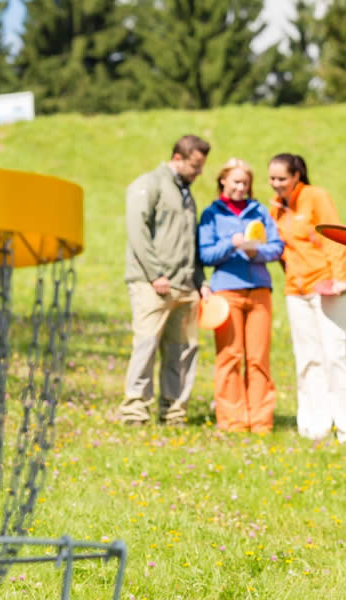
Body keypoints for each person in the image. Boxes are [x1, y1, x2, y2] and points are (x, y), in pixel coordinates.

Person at [267, 153, 346, 443]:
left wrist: (339, 277)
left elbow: (335, 236)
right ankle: (314, 426)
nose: (276, 184)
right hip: (296, 293)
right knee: (307, 359)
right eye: (271, 178)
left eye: (281, 178)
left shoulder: (316, 197)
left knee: (334, 356)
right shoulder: (276, 208)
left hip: (326, 287)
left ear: (297, 175)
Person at [120, 134, 211, 426]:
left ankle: (173, 412)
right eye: (195, 166)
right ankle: (135, 412)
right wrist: (155, 273)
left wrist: (199, 279)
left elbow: (190, 241)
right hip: (153, 284)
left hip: (185, 285)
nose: (199, 173)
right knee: (146, 346)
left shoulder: (186, 192)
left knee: (182, 351)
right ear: (177, 158)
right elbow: (138, 232)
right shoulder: (149, 184)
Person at [198, 158, 284, 433]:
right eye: (236, 182)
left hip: (259, 291)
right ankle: (232, 421)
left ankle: (260, 421)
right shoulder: (212, 214)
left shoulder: (259, 211)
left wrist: (255, 252)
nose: (241, 187)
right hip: (225, 292)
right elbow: (205, 254)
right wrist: (231, 244)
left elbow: (277, 247)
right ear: (223, 181)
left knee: (258, 358)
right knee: (229, 357)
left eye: (245, 183)